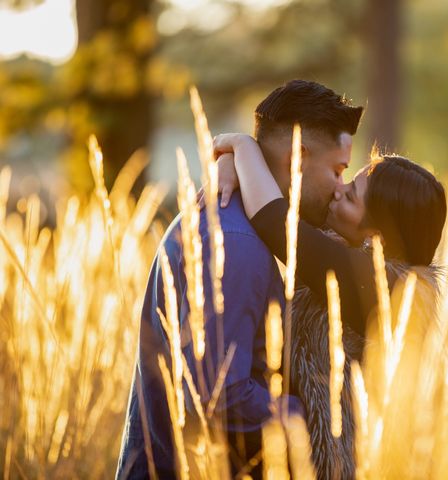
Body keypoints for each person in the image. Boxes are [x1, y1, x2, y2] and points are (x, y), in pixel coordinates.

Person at [116, 80, 363, 479]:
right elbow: (218, 396)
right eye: (337, 171)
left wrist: (237, 151)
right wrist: (315, 420)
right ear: (298, 157)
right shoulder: (237, 243)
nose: (339, 189)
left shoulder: (236, 226)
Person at [213, 133, 447, 478]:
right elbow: (283, 195)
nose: (338, 190)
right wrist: (230, 165)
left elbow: (273, 219)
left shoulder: (385, 288)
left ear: (375, 237)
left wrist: (241, 145)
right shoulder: (352, 263)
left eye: (351, 196)